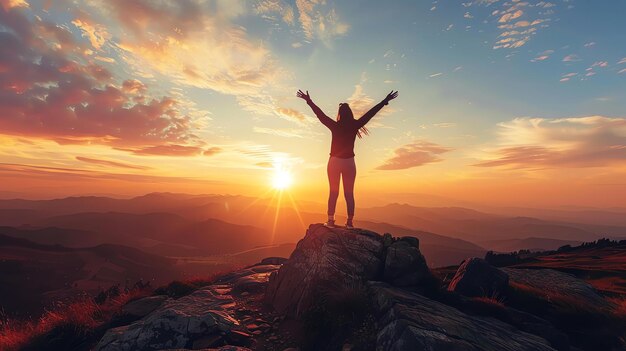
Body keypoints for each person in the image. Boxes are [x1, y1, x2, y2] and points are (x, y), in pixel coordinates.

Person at [297, 89, 398, 228]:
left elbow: (320, 115)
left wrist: (309, 101)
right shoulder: (355, 125)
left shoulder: (335, 126)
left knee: (333, 192)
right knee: (349, 193)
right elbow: (370, 114)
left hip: (334, 162)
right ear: (350, 113)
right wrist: (384, 101)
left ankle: (331, 220)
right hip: (349, 163)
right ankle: (350, 222)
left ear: (340, 114)